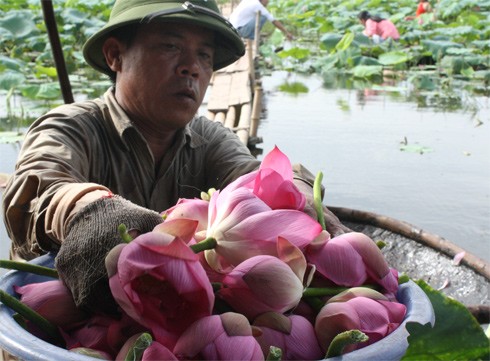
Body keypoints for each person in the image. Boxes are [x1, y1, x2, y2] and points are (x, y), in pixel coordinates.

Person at [2, 0, 348, 314]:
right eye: (170, 46)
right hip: (64, 321)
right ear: (114, 55)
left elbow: (259, 180)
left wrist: (302, 198)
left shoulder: (209, 139)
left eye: (205, 56)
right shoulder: (72, 127)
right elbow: (40, 188)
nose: (191, 68)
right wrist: (91, 210)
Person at [229, 0, 294, 41]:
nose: (268, 2)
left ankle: (252, 36)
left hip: (232, 28)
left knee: (258, 16)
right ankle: (251, 37)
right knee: (263, 17)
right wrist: (286, 32)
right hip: (239, 31)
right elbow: (273, 21)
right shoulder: (257, 5)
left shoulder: (248, 1)